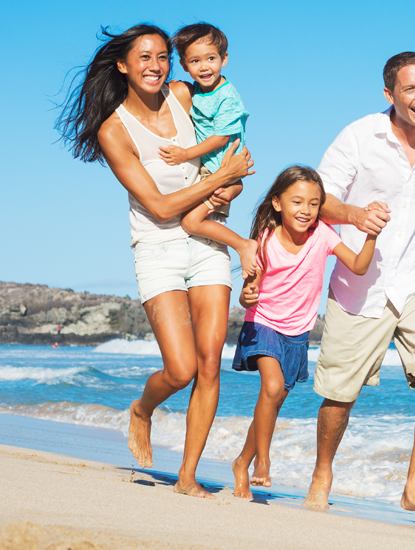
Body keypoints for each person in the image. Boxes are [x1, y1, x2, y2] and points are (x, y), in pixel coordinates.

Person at [56, 24, 254, 498]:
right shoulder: (113, 131)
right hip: (157, 246)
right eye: (144, 57)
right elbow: (161, 208)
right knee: (181, 368)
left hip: (206, 241)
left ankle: (187, 476)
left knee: (210, 366)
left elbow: (231, 143)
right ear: (123, 65)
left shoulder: (184, 96)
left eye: (163, 56)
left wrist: (231, 179)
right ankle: (142, 410)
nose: (155, 66)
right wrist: (221, 177)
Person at [300, 51, 415, 521]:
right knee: (341, 391)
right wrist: (356, 215)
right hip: (362, 277)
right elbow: (318, 198)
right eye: (410, 89)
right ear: (389, 94)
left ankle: (414, 486)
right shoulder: (358, 137)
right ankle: (322, 474)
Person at [231, 166, 379, 498]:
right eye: (297, 201)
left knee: (273, 401)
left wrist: (372, 235)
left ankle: (242, 461)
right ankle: (262, 463)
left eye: (314, 204)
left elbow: (357, 266)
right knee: (271, 387)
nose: (306, 210)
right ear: (278, 203)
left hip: (297, 333)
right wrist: (245, 296)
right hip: (264, 323)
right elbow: (247, 291)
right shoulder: (265, 241)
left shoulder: (323, 235)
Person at [159, 23, 256, 277]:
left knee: (191, 222)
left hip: (221, 167)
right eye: (195, 61)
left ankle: (243, 245)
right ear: (184, 64)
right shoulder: (200, 91)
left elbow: (220, 138)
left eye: (211, 58)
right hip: (215, 170)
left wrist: (185, 154)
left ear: (224, 58)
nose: (204, 67)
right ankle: (234, 188)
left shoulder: (227, 97)